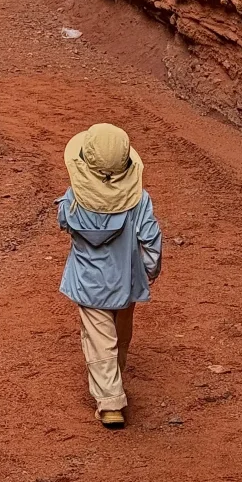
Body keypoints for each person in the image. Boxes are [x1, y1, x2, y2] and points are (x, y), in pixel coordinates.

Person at [57, 122, 163, 429]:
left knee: (100, 339)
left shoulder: (73, 197)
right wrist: (149, 271)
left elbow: (64, 222)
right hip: (127, 280)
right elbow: (151, 240)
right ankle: (112, 385)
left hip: (90, 283)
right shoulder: (139, 200)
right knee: (120, 335)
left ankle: (111, 402)